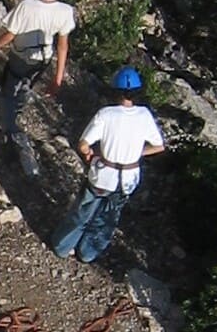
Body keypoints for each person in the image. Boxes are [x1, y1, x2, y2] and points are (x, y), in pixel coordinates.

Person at [50, 66, 165, 263]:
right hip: (129, 178)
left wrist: (91, 155)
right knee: (109, 218)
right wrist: (136, 154)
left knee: (83, 211)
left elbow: (84, 144)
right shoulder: (144, 115)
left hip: (103, 174)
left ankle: (62, 247)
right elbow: (158, 146)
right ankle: (88, 253)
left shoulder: (106, 114)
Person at [0, 0, 76, 177]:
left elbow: (10, 35)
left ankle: (11, 130)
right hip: (43, 59)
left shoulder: (26, 6)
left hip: (21, 58)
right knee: (24, 84)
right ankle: (19, 104)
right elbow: (62, 45)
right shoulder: (66, 12)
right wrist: (57, 78)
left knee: (8, 90)